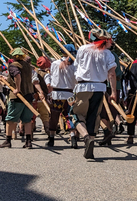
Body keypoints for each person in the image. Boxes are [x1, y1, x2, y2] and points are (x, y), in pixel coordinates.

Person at [71, 29, 117, 160]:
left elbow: (76, 68)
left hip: (83, 86)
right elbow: (112, 74)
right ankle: (90, 143)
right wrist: (113, 92)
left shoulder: (82, 49)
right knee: (93, 116)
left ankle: (86, 137)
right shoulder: (108, 54)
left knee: (75, 114)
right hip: (99, 87)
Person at [0, 48, 35, 149]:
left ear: (14, 56)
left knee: (10, 119)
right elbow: (18, 76)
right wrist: (6, 79)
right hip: (28, 94)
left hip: (18, 96)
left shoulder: (14, 65)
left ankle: (8, 140)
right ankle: (28, 141)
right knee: (27, 119)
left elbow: (17, 76)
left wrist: (17, 89)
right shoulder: (28, 65)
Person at [46, 44, 78, 148]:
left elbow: (52, 76)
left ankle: (51, 138)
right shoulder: (74, 64)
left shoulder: (55, 63)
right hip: (69, 94)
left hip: (57, 94)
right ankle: (73, 136)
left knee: (54, 116)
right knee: (69, 115)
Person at [32, 55, 51, 137]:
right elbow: (48, 85)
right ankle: (48, 131)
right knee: (45, 116)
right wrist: (49, 92)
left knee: (32, 117)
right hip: (42, 98)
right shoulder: (46, 75)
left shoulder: (34, 72)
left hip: (33, 98)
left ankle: (30, 135)